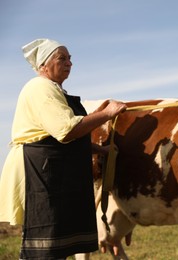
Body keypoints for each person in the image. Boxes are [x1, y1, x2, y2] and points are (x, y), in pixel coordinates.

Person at [0, 38, 127, 259]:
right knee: (44, 244)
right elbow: (66, 131)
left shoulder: (55, 89)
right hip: (39, 172)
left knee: (57, 243)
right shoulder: (40, 88)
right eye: (62, 58)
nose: (69, 63)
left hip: (50, 170)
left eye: (70, 59)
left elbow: (61, 137)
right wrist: (107, 113)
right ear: (43, 66)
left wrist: (99, 150)